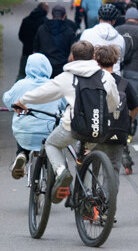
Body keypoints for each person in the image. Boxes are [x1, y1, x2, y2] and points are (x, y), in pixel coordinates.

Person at [14, 41, 120, 201]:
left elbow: (43, 93)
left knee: (51, 144)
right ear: (93, 56)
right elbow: (113, 103)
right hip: (99, 127)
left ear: (72, 57)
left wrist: (22, 101)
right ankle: (87, 198)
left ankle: (61, 172)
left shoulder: (67, 77)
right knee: (85, 155)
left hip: (73, 127)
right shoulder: (106, 77)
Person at [2, 53, 63, 178]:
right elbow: (64, 105)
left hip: (25, 132)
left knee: (25, 126)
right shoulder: (54, 85)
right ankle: (53, 170)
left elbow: (8, 101)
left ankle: (22, 154)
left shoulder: (21, 85)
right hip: (49, 131)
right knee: (52, 141)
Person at [93, 46, 138, 175]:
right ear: (115, 61)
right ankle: (111, 188)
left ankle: (90, 186)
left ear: (97, 61)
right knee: (113, 168)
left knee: (92, 168)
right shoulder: (123, 83)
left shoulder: (93, 82)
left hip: (95, 130)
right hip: (118, 131)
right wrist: (128, 122)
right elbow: (136, 107)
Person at [33, 5, 77, 87]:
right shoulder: (69, 31)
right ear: (64, 16)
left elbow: (35, 50)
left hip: (45, 68)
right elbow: (73, 52)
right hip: (62, 69)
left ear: (52, 15)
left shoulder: (41, 29)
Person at [80, 3, 126, 71]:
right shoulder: (120, 39)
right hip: (113, 74)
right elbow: (121, 58)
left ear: (98, 18)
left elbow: (80, 55)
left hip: (91, 73)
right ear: (114, 21)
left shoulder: (86, 33)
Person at [17, 1, 49, 78]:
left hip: (26, 50)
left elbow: (21, 35)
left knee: (22, 73)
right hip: (40, 53)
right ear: (45, 9)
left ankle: (18, 85)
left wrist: (27, 43)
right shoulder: (46, 22)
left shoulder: (26, 20)